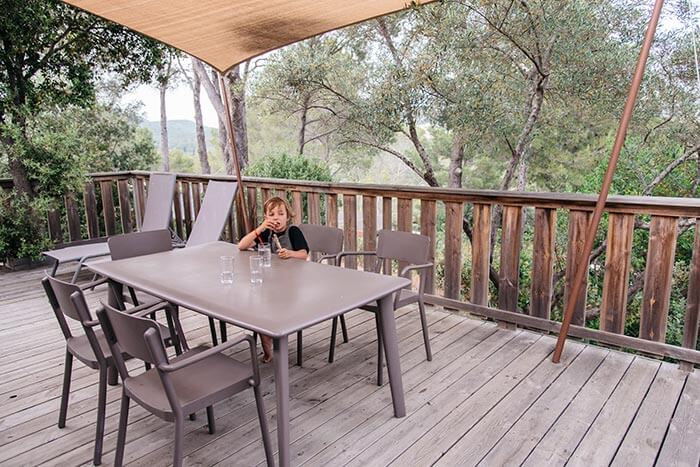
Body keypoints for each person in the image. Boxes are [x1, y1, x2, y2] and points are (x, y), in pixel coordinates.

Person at [238, 196, 309, 362]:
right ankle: (268, 349)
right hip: (269, 283)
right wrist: (260, 229)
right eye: (271, 214)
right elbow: (242, 245)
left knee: (273, 312)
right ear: (266, 217)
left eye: (280, 213)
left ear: (287, 216)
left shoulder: (293, 232)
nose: (276, 218)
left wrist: (290, 253)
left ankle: (276, 340)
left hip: (290, 284)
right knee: (260, 312)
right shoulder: (266, 233)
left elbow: (304, 254)